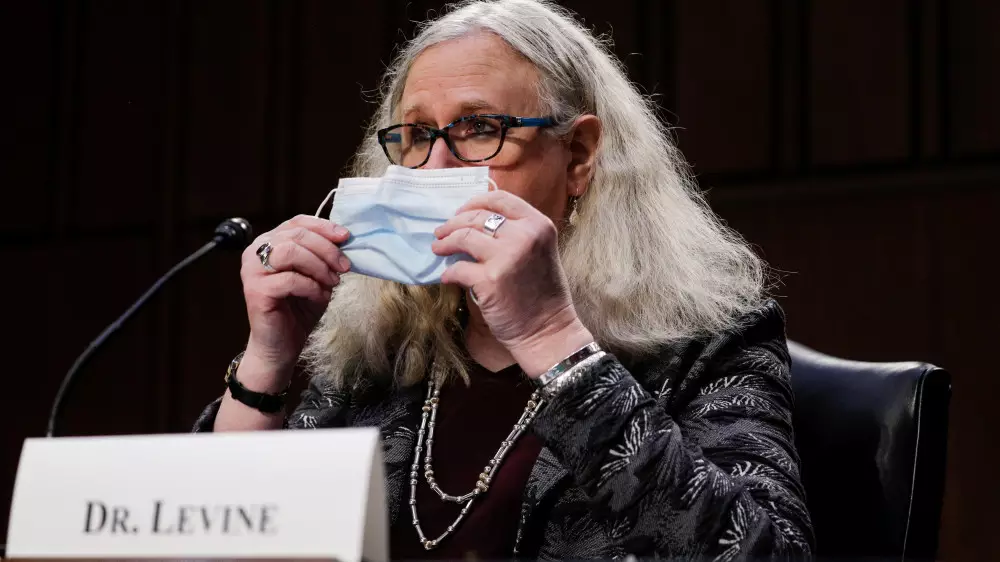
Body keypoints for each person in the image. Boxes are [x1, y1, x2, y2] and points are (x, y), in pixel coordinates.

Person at [194, 0, 814, 559]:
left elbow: (762, 552)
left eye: (480, 129)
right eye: (417, 136)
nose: (436, 167)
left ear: (578, 157)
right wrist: (267, 362)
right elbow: (221, 542)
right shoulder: (377, 352)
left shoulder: (711, 342)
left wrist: (549, 336)